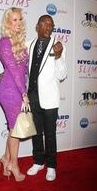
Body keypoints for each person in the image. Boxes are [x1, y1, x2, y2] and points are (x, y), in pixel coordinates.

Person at [27, 15, 67, 181]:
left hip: (50, 98)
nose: (48, 27)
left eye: (51, 25)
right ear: (37, 26)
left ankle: (51, 165)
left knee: (50, 134)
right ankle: (38, 161)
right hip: (32, 96)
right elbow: (22, 67)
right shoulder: (29, 44)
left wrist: (58, 57)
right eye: (45, 24)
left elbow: (62, 74)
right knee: (36, 132)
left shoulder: (58, 46)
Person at [0, 7, 29, 182]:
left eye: (20, 19)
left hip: (16, 88)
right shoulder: (4, 42)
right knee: (15, 131)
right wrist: (24, 93)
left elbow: (24, 70)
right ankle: (14, 165)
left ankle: (6, 159)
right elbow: (15, 71)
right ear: (7, 22)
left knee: (12, 128)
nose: (18, 23)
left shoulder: (19, 41)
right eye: (14, 20)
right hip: (10, 91)